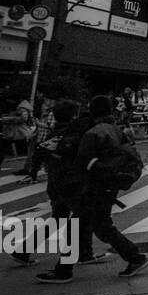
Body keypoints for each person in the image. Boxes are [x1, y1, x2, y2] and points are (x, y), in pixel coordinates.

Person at [32, 101, 109, 283]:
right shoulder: (74, 133)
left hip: (56, 182)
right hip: (70, 183)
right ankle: (79, 258)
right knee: (82, 219)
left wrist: (34, 172)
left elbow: (40, 153)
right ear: (73, 116)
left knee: (60, 218)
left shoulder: (56, 132)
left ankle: (24, 250)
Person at [76, 95, 148, 278]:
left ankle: (135, 257)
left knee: (101, 225)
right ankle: (80, 255)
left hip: (97, 183)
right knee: (83, 219)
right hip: (112, 181)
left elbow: (82, 160)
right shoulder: (118, 129)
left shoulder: (94, 132)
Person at [0, 92, 34, 172]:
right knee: (2, 148)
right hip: (15, 133)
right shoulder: (21, 107)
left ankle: (29, 167)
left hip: (18, 132)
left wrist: (9, 119)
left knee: (26, 150)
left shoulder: (22, 108)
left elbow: (23, 119)